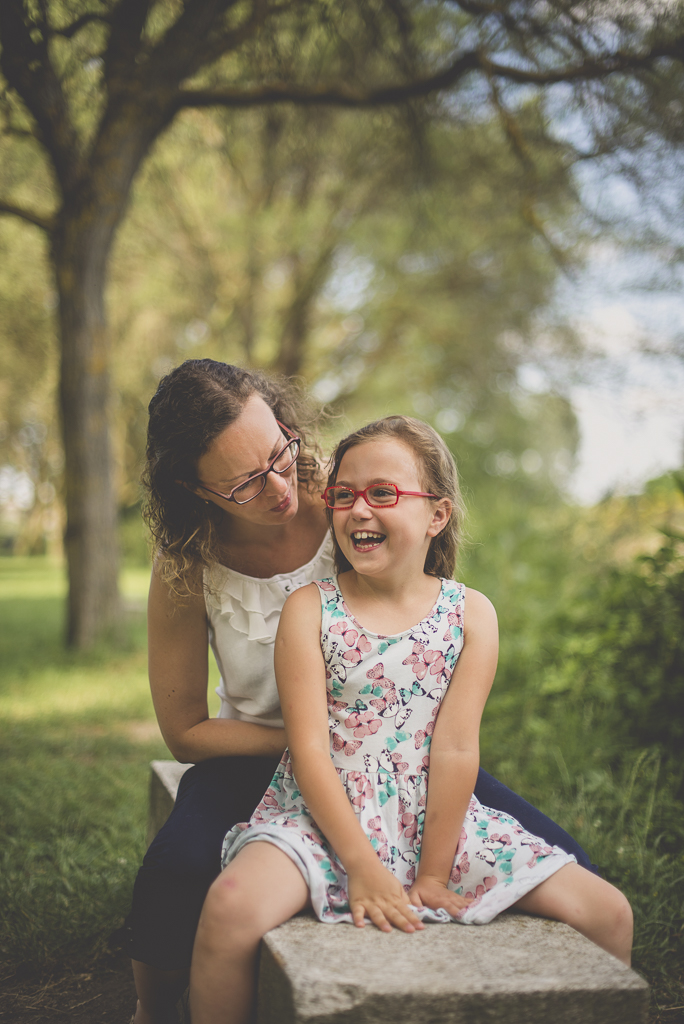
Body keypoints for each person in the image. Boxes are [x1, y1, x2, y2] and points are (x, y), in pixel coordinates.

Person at [126, 361, 601, 1024]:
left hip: (401, 752)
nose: (280, 487)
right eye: (244, 484)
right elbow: (185, 732)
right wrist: (322, 745)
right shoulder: (185, 558)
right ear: (194, 488)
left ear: (286, 426)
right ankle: (152, 1005)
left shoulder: (350, 498)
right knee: (177, 870)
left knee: (572, 860)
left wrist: (388, 750)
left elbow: (424, 615)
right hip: (263, 753)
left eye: (278, 454)